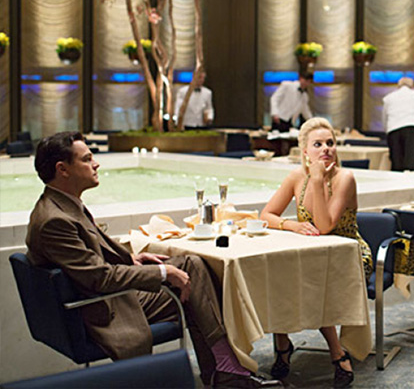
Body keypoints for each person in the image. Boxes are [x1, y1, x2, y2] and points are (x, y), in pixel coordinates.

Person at [26, 131, 280, 389]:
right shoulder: (55, 221)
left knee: (193, 266)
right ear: (63, 169)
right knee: (197, 286)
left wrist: (133, 258)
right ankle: (227, 373)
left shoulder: (63, 205)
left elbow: (87, 260)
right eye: (87, 159)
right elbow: (99, 277)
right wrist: (164, 273)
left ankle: (226, 372)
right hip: (103, 308)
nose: (96, 164)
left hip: (108, 296)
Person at [260, 117, 372, 388]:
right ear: (305, 152)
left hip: (350, 254)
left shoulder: (345, 178)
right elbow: (266, 214)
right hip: (312, 253)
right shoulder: (295, 177)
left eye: (330, 143)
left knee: (314, 281)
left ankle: (338, 353)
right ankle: (282, 344)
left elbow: (324, 227)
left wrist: (319, 180)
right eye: (318, 144)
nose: (326, 149)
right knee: (277, 275)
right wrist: (292, 225)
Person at [382, 76, 414, 171]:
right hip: (412, 128)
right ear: (412, 86)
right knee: (411, 164)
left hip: (393, 129)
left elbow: (384, 117)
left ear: (398, 86)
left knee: (396, 163)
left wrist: (387, 131)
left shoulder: (388, 98)